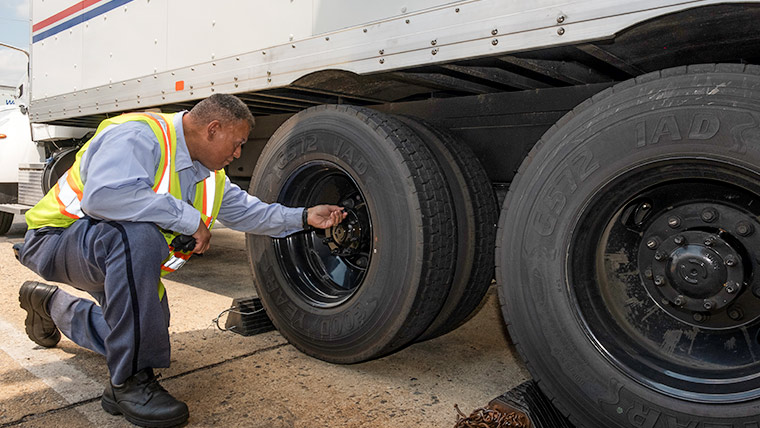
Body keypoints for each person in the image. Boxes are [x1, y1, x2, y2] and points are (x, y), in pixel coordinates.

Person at [16, 93, 345, 427]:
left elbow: (251, 213)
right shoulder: (138, 135)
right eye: (237, 143)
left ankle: (52, 305)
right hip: (55, 239)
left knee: (146, 331)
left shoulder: (210, 178)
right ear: (213, 129)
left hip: (105, 252)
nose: (238, 153)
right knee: (137, 238)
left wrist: (304, 217)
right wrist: (188, 219)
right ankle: (127, 383)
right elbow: (106, 196)